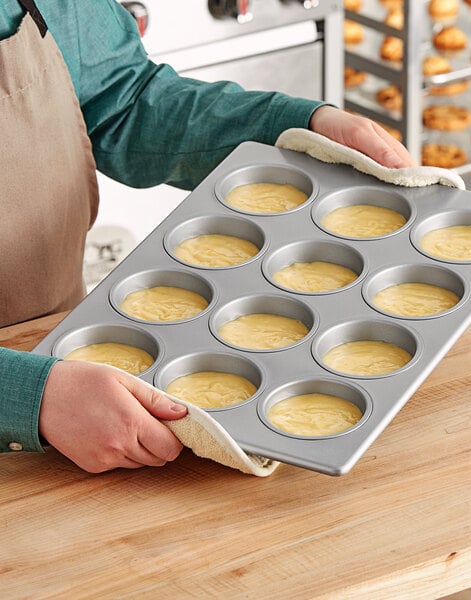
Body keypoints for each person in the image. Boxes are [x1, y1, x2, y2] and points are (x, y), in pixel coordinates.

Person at [0, 0, 414, 473]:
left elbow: (121, 100)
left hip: (74, 371)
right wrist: (26, 397)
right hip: (59, 407)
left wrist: (294, 131)